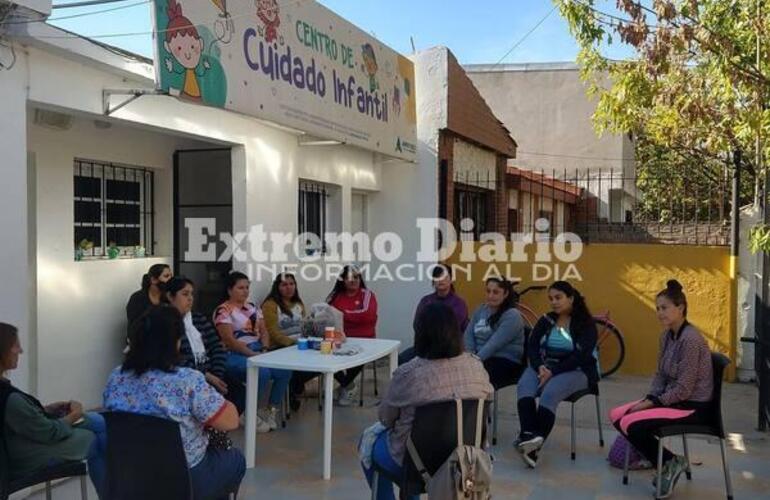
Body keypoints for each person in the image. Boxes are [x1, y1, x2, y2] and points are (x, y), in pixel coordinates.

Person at [104, 306, 244, 500]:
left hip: (131, 474)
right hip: (184, 478)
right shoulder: (187, 379)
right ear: (176, 343)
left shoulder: (116, 377)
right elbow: (229, 422)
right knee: (235, 459)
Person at [361, 303, 493, 500]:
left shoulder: (408, 373)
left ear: (419, 333)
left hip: (412, 466)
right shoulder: (476, 367)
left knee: (368, 441)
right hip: (465, 463)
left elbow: (386, 418)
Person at [609, 280, 713, 498]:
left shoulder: (691, 340)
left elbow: (684, 389)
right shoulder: (666, 336)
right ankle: (657, 457)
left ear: (681, 308)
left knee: (633, 425)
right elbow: (660, 375)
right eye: (657, 308)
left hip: (692, 406)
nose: (659, 313)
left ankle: (670, 462)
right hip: (671, 400)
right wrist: (649, 398)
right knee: (618, 415)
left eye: (664, 308)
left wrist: (653, 404)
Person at [0, 322, 106, 498]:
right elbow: (50, 432)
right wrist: (73, 416)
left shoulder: (7, 394)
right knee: (98, 438)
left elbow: (23, 421)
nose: (20, 351)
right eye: (16, 345)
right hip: (31, 456)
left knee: (99, 423)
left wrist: (46, 409)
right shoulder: (9, 399)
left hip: (27, 444)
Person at [515, 281, 598, 468]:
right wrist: (539, 367)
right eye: (551, 298)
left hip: (577, 371)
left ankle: (533, 445)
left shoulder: (586, 324)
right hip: (544, 367)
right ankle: (528, 437)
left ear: (571, 298)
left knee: (550, 392)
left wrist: (552, 372)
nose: (554, 302)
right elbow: (532, 346)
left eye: (558, 297)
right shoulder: (546, 320)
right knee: (524, 386)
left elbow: (580, 356)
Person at [214, 271, 292, 432]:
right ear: (230, 290)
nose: (245, 291)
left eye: (247, 288)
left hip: (257, 350)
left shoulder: (253, 308)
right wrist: (252, 355)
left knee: (284, 370)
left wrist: (263, 349)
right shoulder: (223, 311)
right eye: (240, 288)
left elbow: (264, 332)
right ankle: (247, 413)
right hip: (233, 354)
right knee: (262, 372)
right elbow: (229, 340)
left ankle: (270, 410)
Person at [261, 272, 317, 411]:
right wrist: (293, 344)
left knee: (323, 359)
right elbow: (272, 333)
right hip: (281, 347)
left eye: (292, 284)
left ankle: (295, 388)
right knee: (298, 367)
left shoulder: (298, 303)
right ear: (277, 287)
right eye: (284, 284)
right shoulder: (270, 305)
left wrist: (309, 340)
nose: (289, 287)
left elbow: (304, 327)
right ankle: (294, 390)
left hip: (300, 345)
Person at [165, 276, 228, 394]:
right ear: (170, 296)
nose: (190, 298)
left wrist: (217, 375)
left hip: (211, 373)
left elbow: (216, 347)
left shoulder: (198, 318)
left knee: (240, 391)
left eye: (191, 294)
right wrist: (207, 376)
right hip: (184, 378)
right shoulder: (165, 322)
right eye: (185, 294)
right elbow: (174, 358)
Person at [327, 265, 378, 406]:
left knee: (358, 356)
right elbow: (327, 314)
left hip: (364, 338)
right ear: (342, 280)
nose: (353, 280)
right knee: (324, 354)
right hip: (339, 338)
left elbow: (367, 315)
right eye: (349, 278)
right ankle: (348, 385)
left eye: (356, 277)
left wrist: (341, 314)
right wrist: (345, 315)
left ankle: (345, 385)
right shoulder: (336, 296)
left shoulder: (367, 294)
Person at [399, 264, 469, 365]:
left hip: (450, 349)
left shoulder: (458, 303)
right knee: (401, 359)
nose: (441, 280)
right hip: (426, 347)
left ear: (451, 280)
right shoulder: (426, 301)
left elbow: (452, 330)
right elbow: (417, 325)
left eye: (444, 277)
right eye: (437, 277)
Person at [464, 277, 526, 389]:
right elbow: (468, 335)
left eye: (496, 292)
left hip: (503, 360)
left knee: (471, 377)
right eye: (488, 291)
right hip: (478, 357)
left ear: (506, 294)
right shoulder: (481, 309)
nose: (490, 296)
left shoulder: (512, 315)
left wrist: (474, 361)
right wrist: (469, 355)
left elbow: (494, 344)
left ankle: (478, 406)